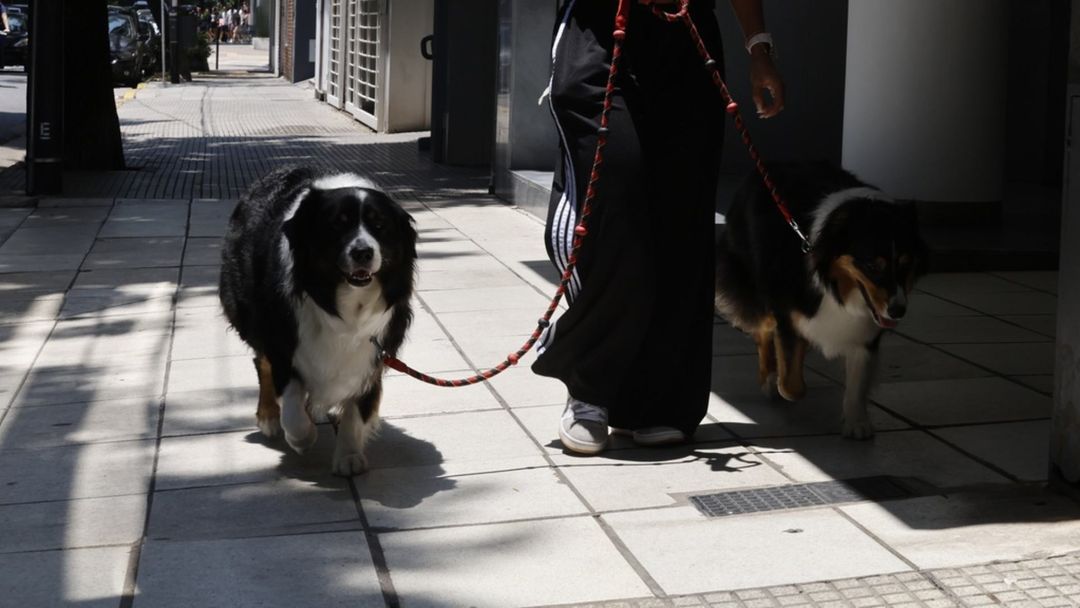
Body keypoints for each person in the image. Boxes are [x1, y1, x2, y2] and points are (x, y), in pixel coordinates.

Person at [533, 0, 785, 455]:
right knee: (614, 207)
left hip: (687, 38)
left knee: (682, 223)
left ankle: (662, 399)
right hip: (600, 35)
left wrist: (758, 47)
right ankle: (589, 386)